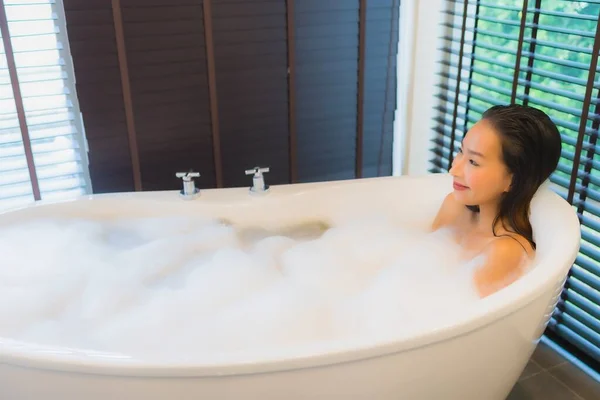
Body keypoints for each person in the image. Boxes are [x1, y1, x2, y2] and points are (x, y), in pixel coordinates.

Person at [431, 104, 562, 298]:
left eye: (473, 162)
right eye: (461, 152)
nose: (454, 170)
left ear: (513, 179)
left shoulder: (505, 252)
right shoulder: (454, 207)